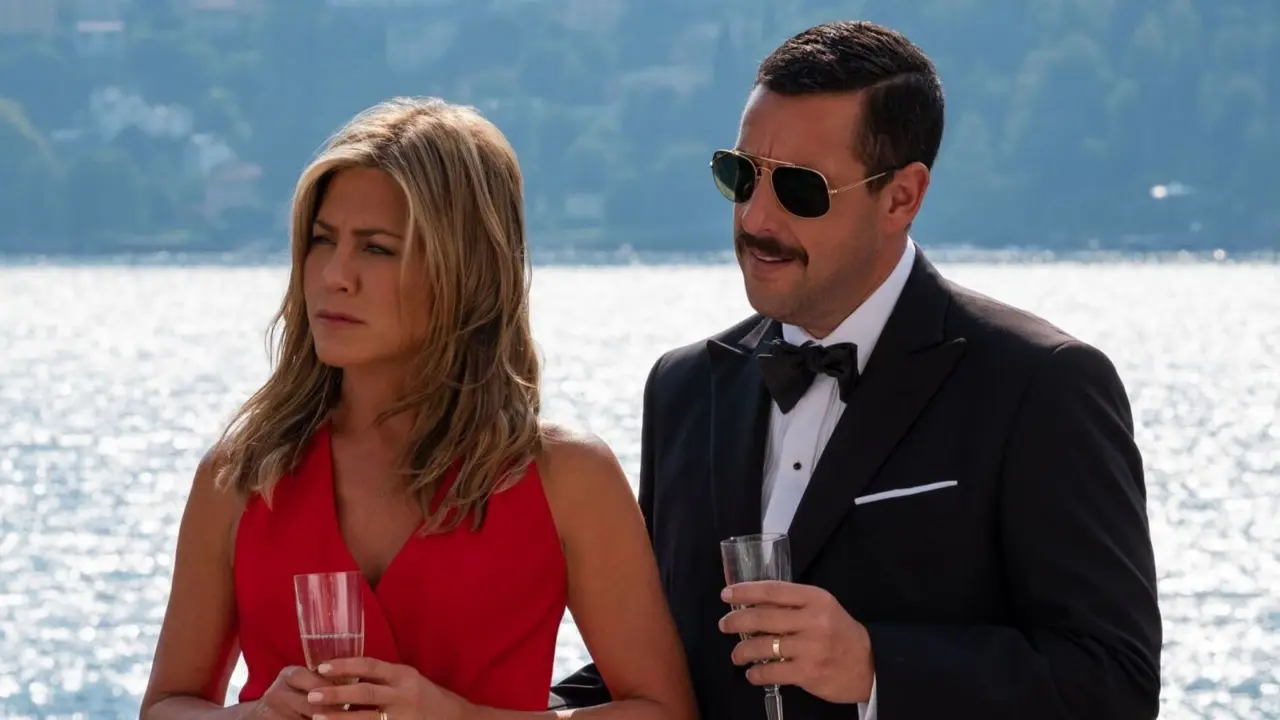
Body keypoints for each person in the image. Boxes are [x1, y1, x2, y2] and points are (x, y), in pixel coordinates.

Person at [552, 20, 1161, 720]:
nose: (755, 217)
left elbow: (1115, 685)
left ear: (902, 197)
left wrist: (874, 666)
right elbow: (656, 664)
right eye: (740, 174)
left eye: (800, 188)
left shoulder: (1043, 385)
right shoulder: (685, 389)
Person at [139, 97, 697, 720]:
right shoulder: (241, 476)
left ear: (465, 269)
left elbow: (664, 712)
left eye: (376, 249)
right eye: (323, 240)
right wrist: (255, 718)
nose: (334, 275)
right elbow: (166, 706)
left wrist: (462, 719)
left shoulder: (566, 478)